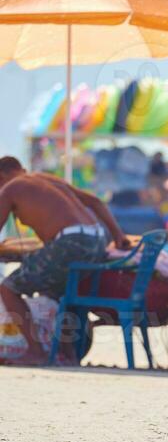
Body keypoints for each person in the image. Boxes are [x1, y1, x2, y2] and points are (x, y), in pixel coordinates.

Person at [0, 156, 129, 365]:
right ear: (21, 169)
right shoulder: (45, 178)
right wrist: (118, 236)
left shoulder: (10, 189)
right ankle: (67, 355)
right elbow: (95, 201)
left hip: (71, 242)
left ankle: (36, 352)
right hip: (97, 240)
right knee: (57, 289)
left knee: (8, 288)